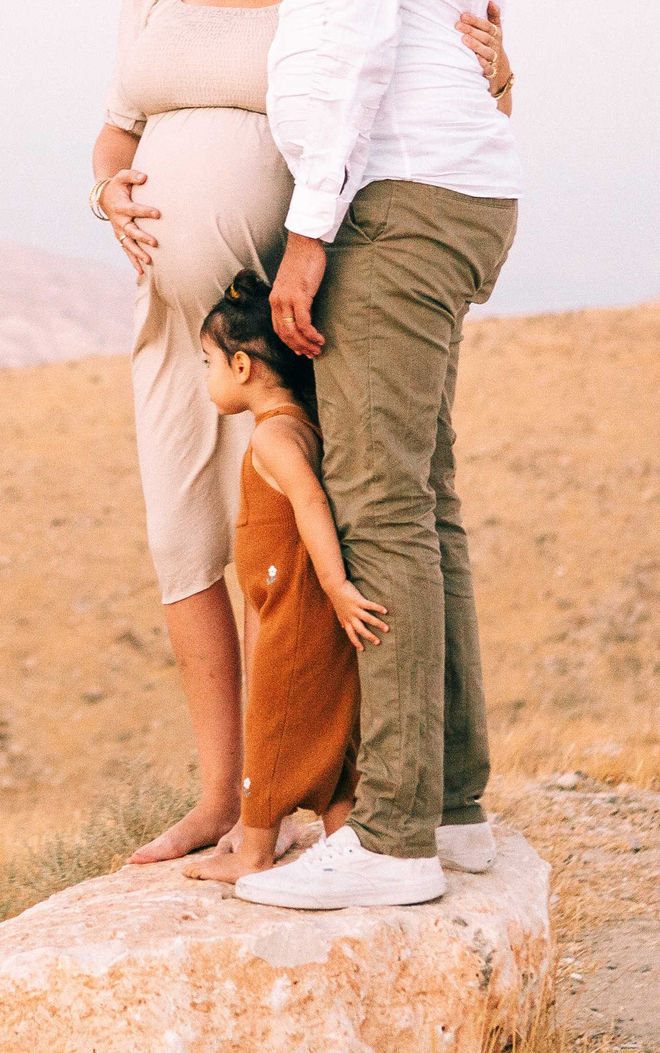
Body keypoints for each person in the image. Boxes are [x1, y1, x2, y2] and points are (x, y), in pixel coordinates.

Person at [92, 0, 515, 866]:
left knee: (286, 550)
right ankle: (219, 796)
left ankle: (306, 796)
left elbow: (427, 76)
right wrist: (105, 187)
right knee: (183, 541)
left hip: (285, 310)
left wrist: (497, 72)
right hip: (172, 317)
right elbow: (119, 123)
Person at [230, 0, 524, 912]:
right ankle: (450, 807)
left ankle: (395, 837)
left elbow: (355, 34)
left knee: (384, 509)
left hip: (398, 200)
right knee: (427, 501)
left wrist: (309, 232)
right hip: (450, 186)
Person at [179, 273, 383, 886]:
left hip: (295, 606)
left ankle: (255, 853)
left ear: (242, 366)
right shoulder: (300, 423)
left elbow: (311, 504)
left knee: (271, 726)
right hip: (291, 601)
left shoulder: (273, 435)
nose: (206, 375)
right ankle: (345, 838)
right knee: (329, 737)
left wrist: (338, 588)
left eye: (208, 362)